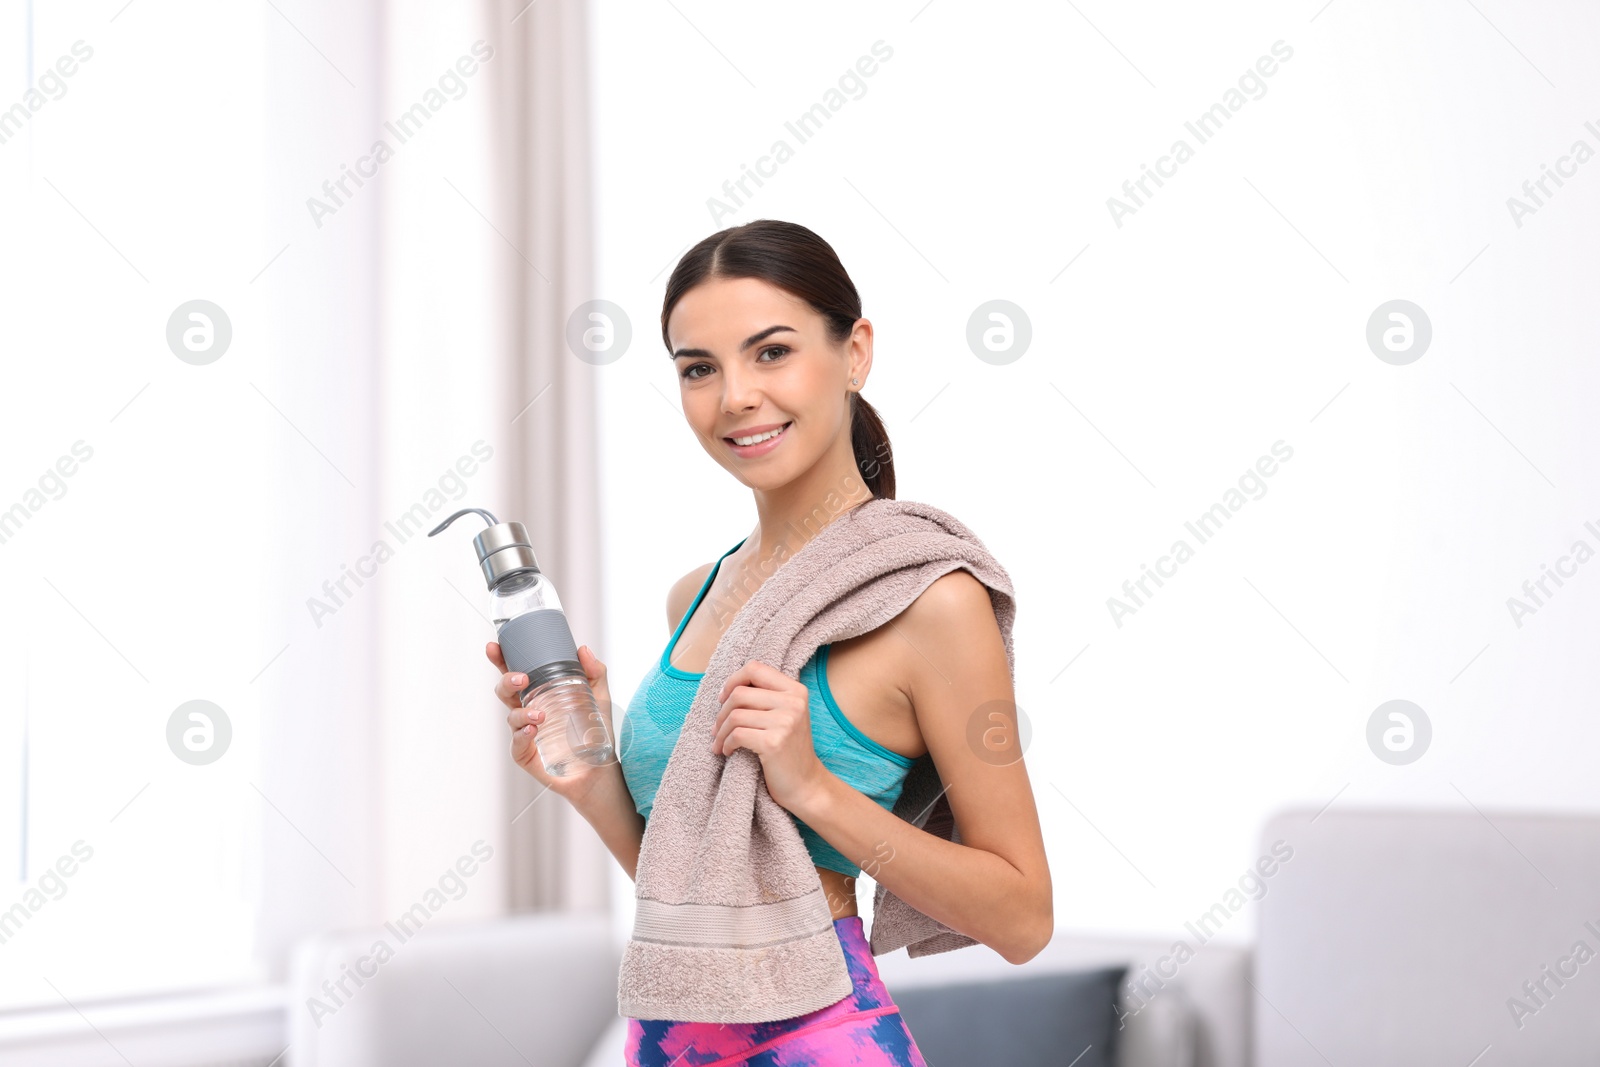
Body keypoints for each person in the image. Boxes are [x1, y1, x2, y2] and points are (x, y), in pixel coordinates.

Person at [488, 219, 1051, 1065]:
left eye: (772, 351)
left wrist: (815, 787)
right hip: (670, 1039)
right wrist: (590, 778)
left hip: (824, 1038)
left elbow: (1023, 917)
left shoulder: (931, 599)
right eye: (699, 369)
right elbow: (698, 888)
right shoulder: (696, 596)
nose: (736, 396)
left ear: (855, 351)